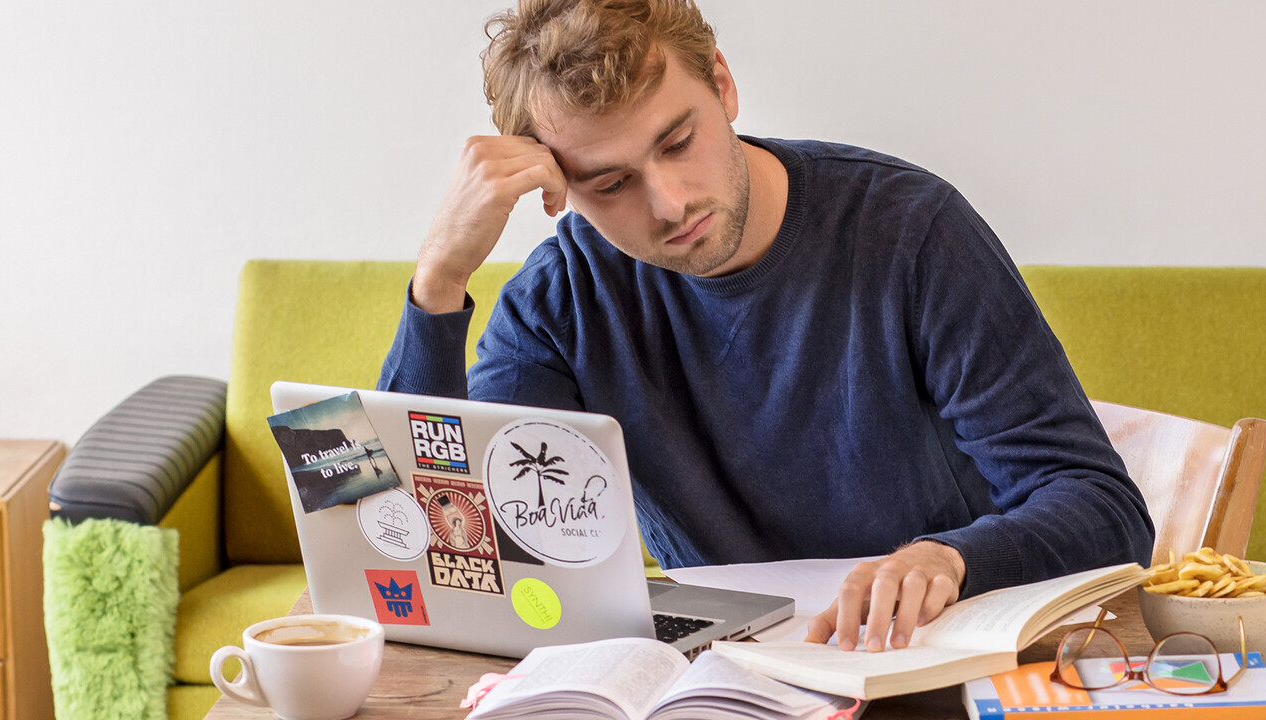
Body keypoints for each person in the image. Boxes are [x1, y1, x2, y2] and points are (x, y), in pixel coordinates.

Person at [377, 0, 1154, 653]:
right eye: (610, 183)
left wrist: (950, 557)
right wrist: (439, 279)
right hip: (728, 673)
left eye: (678, 142)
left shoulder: (913, 233)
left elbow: (1101, 505)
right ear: (557, 191)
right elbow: (433, 553)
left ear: (723, 83)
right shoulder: (562, 299)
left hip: (926, 653)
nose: (670, 203)